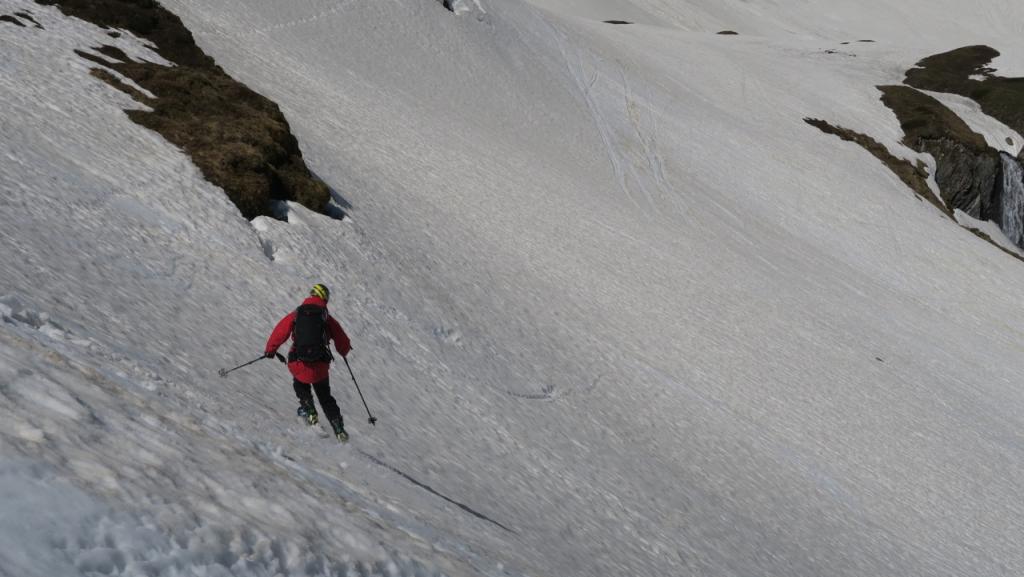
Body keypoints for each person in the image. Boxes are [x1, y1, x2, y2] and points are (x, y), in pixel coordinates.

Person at [265, 283, 353, 442]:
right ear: (325, 298)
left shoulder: (297, 313)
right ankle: (339, 428)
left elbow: (281, 331)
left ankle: (309, 411)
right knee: (325, 397)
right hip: (320, 366)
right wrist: (344, 351)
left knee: (300, 384)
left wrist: (270, 350)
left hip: (299, 363)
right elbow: (342, 340)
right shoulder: (326, 317)